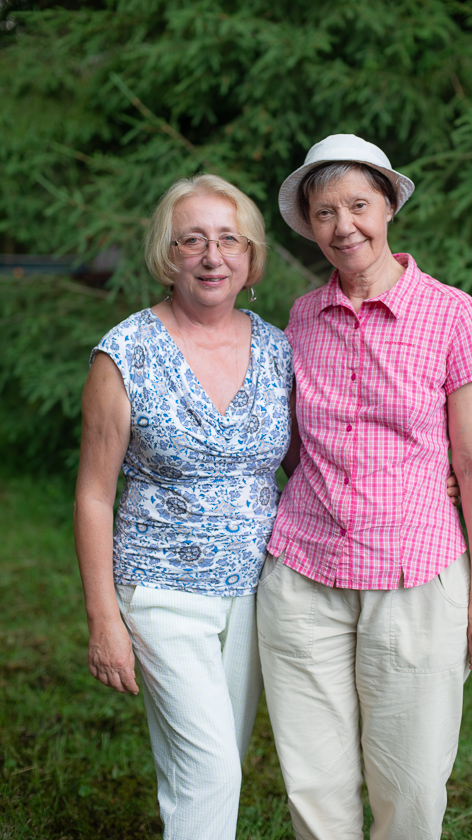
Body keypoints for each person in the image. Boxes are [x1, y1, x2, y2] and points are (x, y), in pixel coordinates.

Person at [257, 134, 472, 840]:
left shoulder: (452, 313)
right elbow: (292, 440)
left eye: (358, 205)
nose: (344, 226)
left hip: (415, 576)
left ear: (389, 205)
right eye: (325, 212)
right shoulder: (302, 317)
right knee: (314, 782)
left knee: (412, 783)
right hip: (304, 572)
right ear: (310, 225)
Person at [73, 174, 294, 840]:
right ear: (166, 255)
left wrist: (427, 480)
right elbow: (93, 494)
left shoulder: (278, 349)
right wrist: (102, 618)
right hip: (161, 591)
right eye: (191, 240)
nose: (211, 256)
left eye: (229, 240)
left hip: (255, 591)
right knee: (213, 772)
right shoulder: (126, 352)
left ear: (251, 256)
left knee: (203, 767)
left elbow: (313, 462)